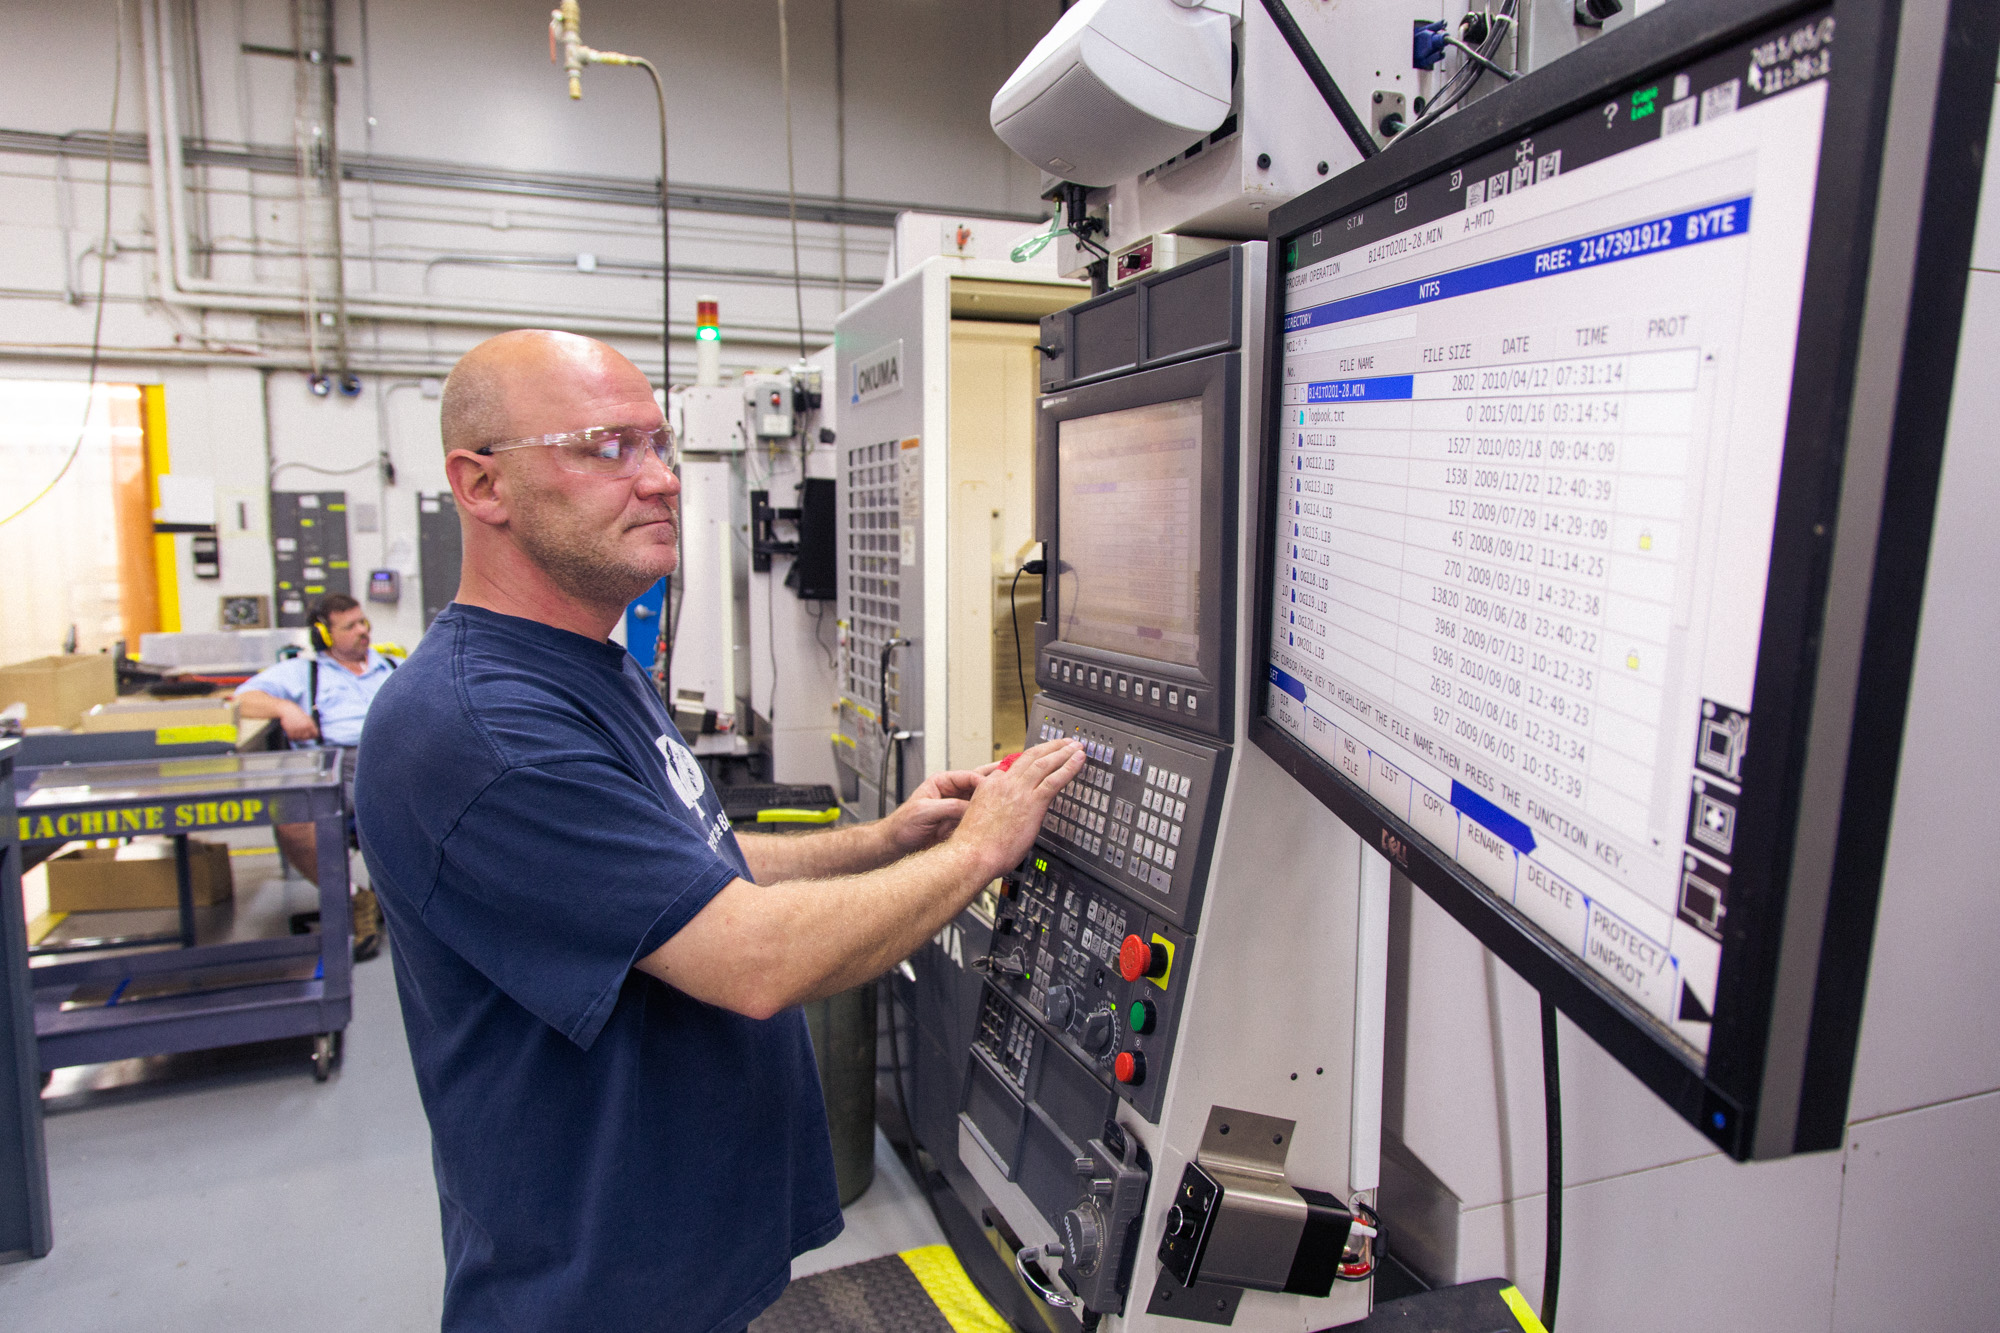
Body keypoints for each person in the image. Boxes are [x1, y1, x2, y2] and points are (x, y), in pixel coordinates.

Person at [353, 329, 1084, 1333]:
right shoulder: (482, 727)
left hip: (669, 1264)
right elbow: (749, 958)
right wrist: (978, 850)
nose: (657, 480)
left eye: (657, 444)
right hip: (590, 1294)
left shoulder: (586, 666)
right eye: (606, 447)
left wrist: (889, 836)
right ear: (483, 486)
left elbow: (685, 864)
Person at [235, 592, 393, 959]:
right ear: (324, 635)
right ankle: (356, 900)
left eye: (363, 622)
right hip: (337, 762)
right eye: (349, 626)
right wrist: (285, 707)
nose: (362, 631)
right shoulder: (304, 671)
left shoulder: (393, 666)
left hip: (392, 757)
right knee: (294, 820)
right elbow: (241, 699)